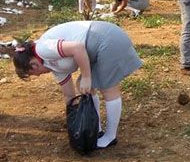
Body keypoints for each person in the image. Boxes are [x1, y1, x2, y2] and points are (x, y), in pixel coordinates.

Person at [11, 21, 142, 149]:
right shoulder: (53, 66)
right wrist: (75, 121)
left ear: (33, 65)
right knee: (84, 87)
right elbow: (69, 96)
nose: (39, 75)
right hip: (100, 46)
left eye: (34, 73)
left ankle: (110, 136)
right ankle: (96, 129)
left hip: (107, 39)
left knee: (107, 88)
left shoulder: (43, 49)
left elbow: (77, 48)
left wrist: (86, 76)